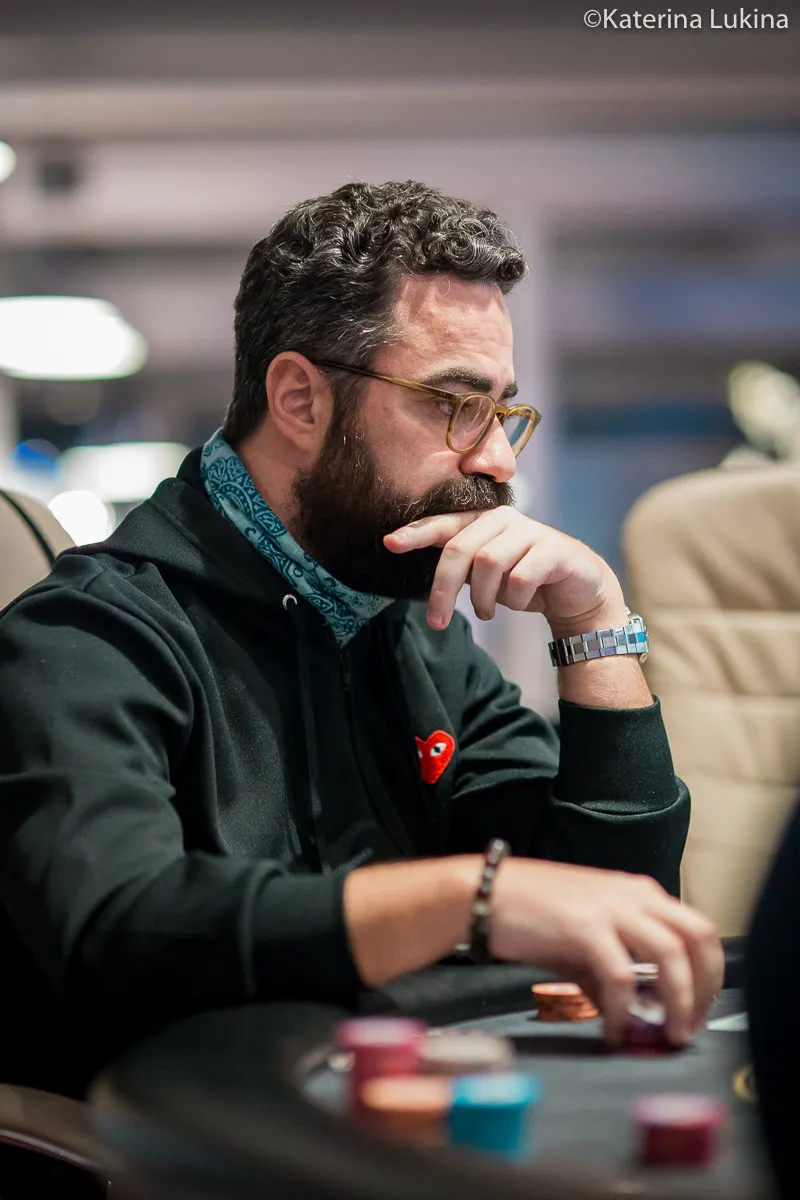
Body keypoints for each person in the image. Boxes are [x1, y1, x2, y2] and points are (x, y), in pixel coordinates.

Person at [0, 180, 721, 1096]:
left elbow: (610, 923)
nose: (497, 459)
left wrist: (595, 626)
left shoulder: (410, 630)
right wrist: (471, 898)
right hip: (178, 1147)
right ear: (300, 400)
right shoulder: (86, 637)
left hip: (380, 1122)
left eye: (502, 412)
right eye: (453, 404)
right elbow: (118, 931)